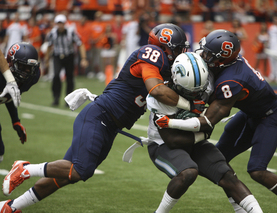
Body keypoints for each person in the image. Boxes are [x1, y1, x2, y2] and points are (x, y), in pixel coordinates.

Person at [0, 23, 205, 212]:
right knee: (80, 170)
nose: (181, 52)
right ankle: (25, 168)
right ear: (164, 46)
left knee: (66, 175)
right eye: (178, 48)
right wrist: (189, 105)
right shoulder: (151, 54)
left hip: (111, 125)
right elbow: (157, 90)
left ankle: (12, 207)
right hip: (100, 116)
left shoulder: (165, 65)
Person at [154, 29, 277, 213]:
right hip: (249, 113)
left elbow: (207, 121)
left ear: (221, 59)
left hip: (270, 116)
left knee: (257, 170)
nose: (203, 55)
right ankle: (240, 207)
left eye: (208, 54)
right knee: (219, 163)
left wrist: (171, 122)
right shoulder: (226, 65)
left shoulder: (231, 81)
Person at [148, 52, 263, 213]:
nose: (194, 94)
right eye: (189, 90)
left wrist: (203, 131)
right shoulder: (161, 96)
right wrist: (202, 132)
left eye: (199, 90)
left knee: (227, 175)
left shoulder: (206, 83)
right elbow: (173, 140)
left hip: (195, 141)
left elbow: (214, 119)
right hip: (162, 145)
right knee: (188, 172)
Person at [0, 42, 40, 163]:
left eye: (30, 68)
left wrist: (15, 121)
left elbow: (9, 96)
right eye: (22, 67)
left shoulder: (33, 77)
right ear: (10, 63)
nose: (27, 72)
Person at [45, 14, 88, 106]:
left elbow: (80, 43)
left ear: (65, 24)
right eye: (58, 23)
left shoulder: (71, 32)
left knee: (69, 78)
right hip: (57, 56)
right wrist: (47, 59)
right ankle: (56, 98)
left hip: (69, 56)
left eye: (62, 23)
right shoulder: (52, 33)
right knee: (56, 76)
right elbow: (49, 46)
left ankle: (68, 100)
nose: (60, 25)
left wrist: (83, 58)